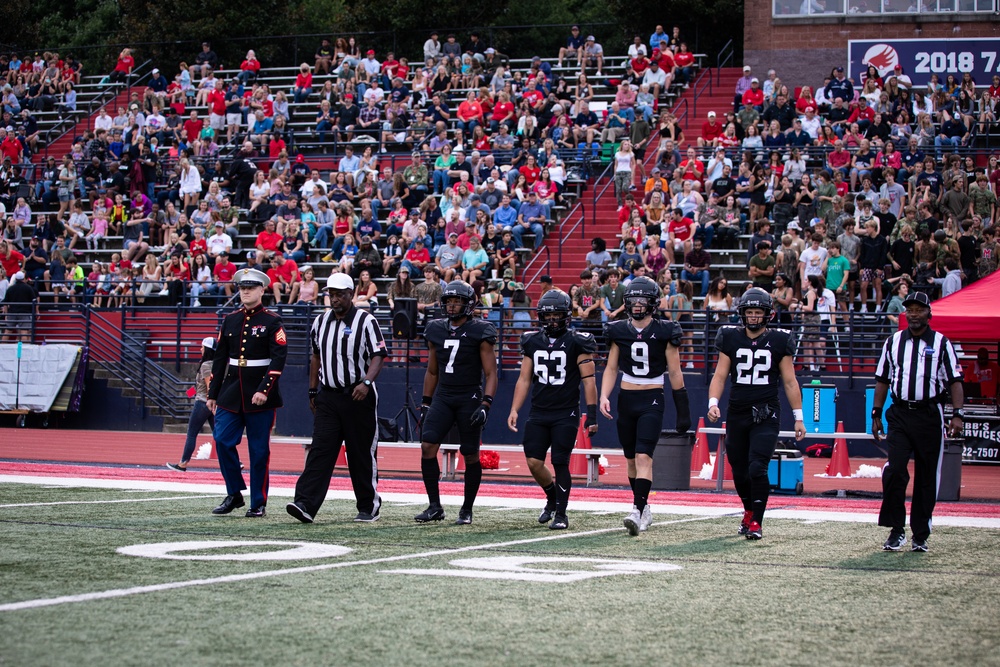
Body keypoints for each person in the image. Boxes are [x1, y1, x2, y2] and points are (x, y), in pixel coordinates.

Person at [287, 273, 388, 524]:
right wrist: (313, 391)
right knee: (320, 450)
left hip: (357, 395)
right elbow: (316, 357)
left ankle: (368, 505)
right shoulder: (320, 322)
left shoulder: (366, 320)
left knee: (360, 453)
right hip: (329, 396)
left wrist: (366, 382)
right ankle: (305, 504)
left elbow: (379, 353)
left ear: (351, 294)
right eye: (331, 294)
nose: (334, 299)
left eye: (340, 294)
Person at [707, 288, 806, 540]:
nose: (753, 317)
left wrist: (799, 416)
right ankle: (749, 509)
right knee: (739, 470)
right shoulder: (730, 337)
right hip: (737, 411)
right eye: (749, 312)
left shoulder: (780, 340)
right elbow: (720, 375)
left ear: (767, 314)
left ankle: (757, 522)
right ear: (742, 313)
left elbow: (790, 382)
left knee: (757, 467)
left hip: (766, 413)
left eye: (757, 312)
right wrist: (712, 402)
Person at [872, 291, 964, 553]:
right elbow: (882, 379)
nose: (913, 314)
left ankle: (920, 533)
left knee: (927, 476)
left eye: (918, 310)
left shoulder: (942, 343)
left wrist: (958, 413)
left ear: (928, 313)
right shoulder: (893, 342)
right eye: (909, 310)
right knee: (894, 470)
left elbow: (955, 380)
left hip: (928, 414)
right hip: (900, 413)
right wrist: (876, 413)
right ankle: (896, 529)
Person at [600, 276, 690, 536]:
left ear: (652, 303)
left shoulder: (664, 330)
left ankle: (637, 511)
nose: (637, 305)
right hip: (626, 398)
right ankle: (644, 507)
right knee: (630, 460)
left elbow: (674, 372)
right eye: (633, 300)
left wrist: (682, 408)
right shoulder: (618, 330)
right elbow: (612, 367)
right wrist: (605, 395)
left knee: (643, 456)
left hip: (652, 397)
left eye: (643, 300)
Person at [507, 290, 598, 530]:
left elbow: (589, 380)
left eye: (557, 315)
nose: (552, 320)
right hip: (539, 411)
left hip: (565, 412)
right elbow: (524, 379)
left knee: (560, 462)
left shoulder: (577, 341)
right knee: (534, 461)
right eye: (548, 316)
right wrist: (515, 408)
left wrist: (592, 414)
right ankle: (551, 497)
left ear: (566, 315)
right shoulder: (532, 340)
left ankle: (561, 513)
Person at [206, 268, 288, 517]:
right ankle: (234, 493)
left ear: (262, 290)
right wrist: (212, 393)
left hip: (260, 395)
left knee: (259, 451)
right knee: (222, 440)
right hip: (230, 392)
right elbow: (220, 360)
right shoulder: (230, 319)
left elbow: (278, 360)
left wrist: (264, 390)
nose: (245, 292)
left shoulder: (272, 321)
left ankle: (258, 502)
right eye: (242, 288)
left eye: (250, 288)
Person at [416, 280, 498, 525]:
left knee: (470, 454)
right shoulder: (435, 329)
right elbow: (432, 371)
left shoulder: (480, 330)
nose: (451, 306)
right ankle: (434, 506)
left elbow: (491, 373)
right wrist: (426, 402)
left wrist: (486, 404)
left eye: (457, 302)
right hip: (444, 395)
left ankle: (466, 509)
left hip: (469, 397)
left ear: (469, 304)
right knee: (427, 446)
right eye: (449, 301)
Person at [166, 337, 217, 472]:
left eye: (202, 347)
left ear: (207, 350)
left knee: (192, 433)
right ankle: (236, 462)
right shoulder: (218, 364)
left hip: (202, 403)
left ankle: (183, 463)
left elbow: (208, 386)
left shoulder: (206, 365)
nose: (200, 349)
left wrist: (210, 402)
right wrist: (189, 393)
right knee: (219, 434)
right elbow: (200, 386)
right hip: (210, 402)